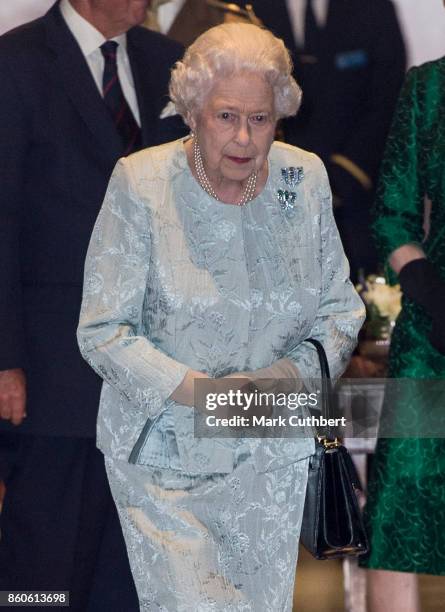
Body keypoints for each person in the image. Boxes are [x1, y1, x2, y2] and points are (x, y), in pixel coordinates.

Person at [77, 22, 365, 610]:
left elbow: (340, 309)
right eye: (225, 116)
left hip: (268, 458)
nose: (244, 137)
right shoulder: (142, 183)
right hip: (165, 464)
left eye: (260, 119)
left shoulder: (301, 177)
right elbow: (103, 329)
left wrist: (279, 384)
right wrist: (201, 394)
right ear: (191, 111)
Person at [0, 0, 186, 609]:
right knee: (43, 573)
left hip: (156, 373)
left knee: (131, 570)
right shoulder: (16, 62)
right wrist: (5, 359)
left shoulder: (169, 64)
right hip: (52, 370)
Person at [360, 46, 445, 611]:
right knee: (398, 513)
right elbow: (391, 209)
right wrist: (431, 294)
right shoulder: (429, 88)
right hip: (432, 331)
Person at [250, 0, 406, 281]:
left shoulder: (373, 7)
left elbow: (388, 95)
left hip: (353, 198)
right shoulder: (243, 9)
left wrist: (343, 177)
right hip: (266, 197)